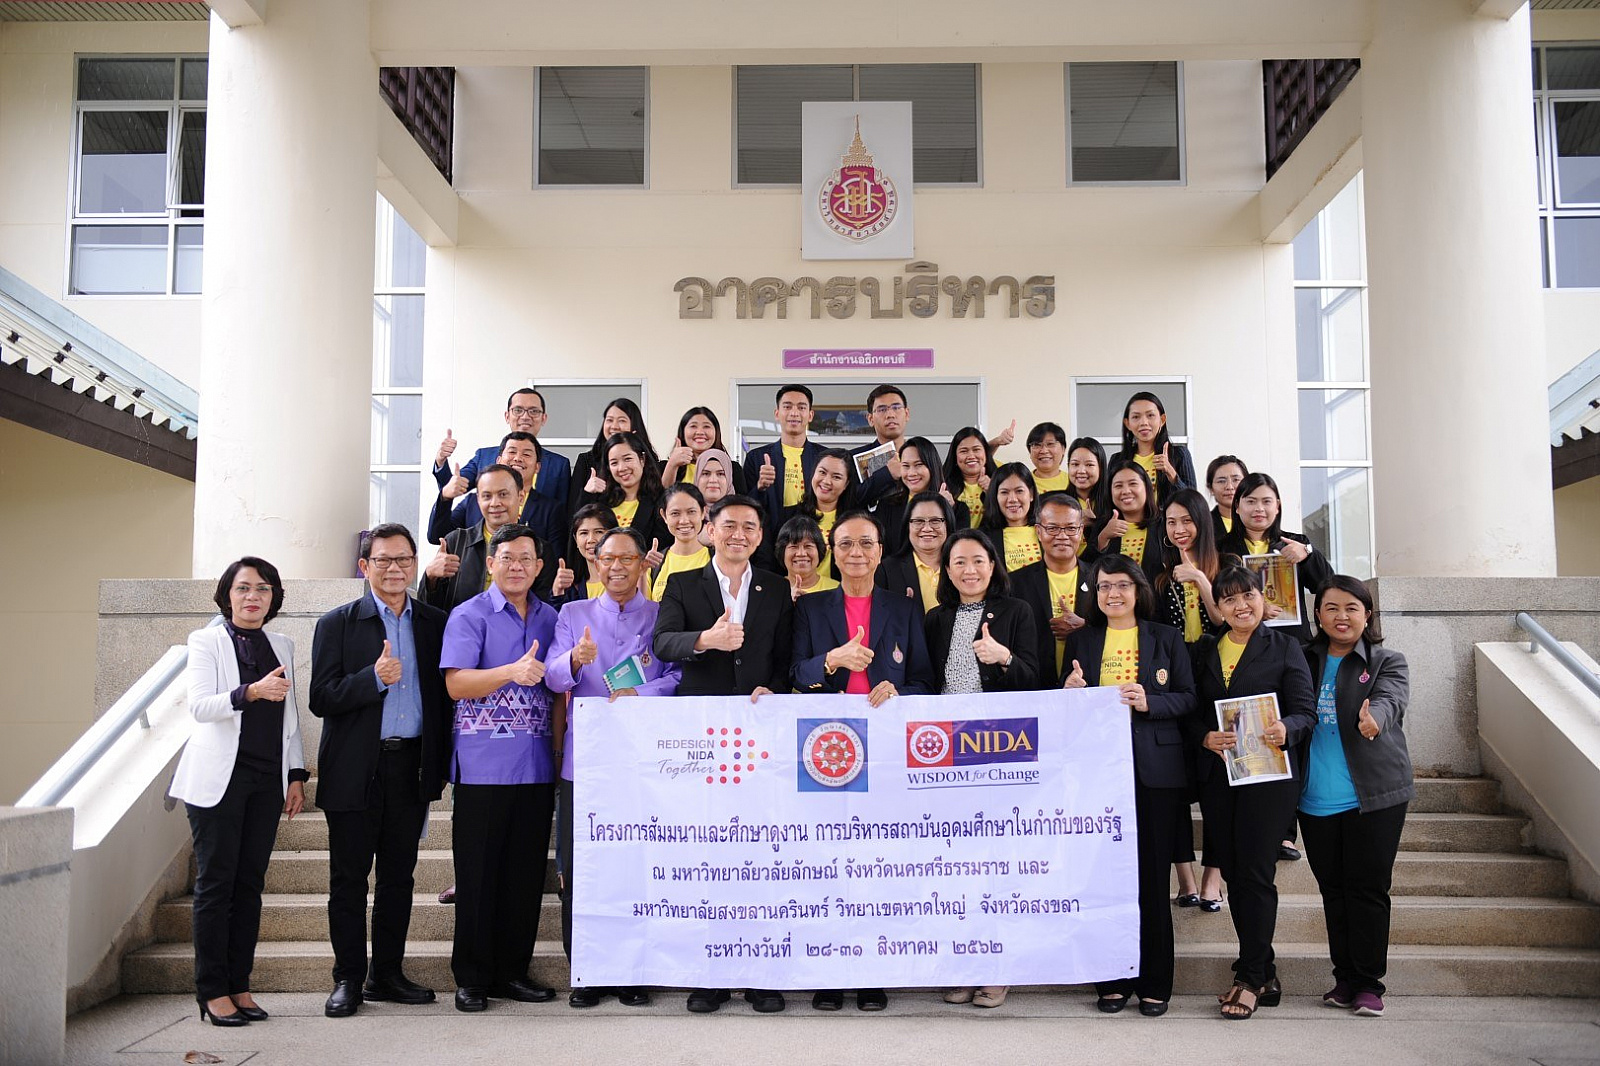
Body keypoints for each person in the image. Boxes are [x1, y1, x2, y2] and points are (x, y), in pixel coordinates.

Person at [653, 494, 794, 1015]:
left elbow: (784, 657)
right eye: (729, 525)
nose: (739, 534)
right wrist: (705, 640)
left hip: (759, 737)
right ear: (710, 530)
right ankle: (710, 973)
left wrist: (774, 688)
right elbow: (662, 643)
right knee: (709, 857)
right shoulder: (682, 583)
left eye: (750, 527)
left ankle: (760, 973)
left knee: (759, 855)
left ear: (760, 535)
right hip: (703, 738)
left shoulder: (775, 587)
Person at [792, 511, 934, 1014]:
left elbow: (924, 680)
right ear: (833, 551)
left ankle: (872, 971)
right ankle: (830, 973)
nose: (856, 553)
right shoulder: (811, 608)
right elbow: (796, 672)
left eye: (866, 544)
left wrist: (899, 691)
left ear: (880, 551)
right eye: (846, 544)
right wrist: (832, 660)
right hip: (826, 753)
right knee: (827, 868)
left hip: (886, 755)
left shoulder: (904, 607)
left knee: (878, 867)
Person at [310, 525, 450, 1018]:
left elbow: (442, 700)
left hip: (410, 766)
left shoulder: (433, 622)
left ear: (414, 564)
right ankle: (348, 977)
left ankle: (386, 974)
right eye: (384, 560)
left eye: (404, 559)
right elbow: (321, 697)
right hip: (355, 768)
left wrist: (439, 765)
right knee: (349, 880)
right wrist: (372, 679)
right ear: (364, 566)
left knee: (398, 878)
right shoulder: (338, 624)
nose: (395, 569)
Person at [546, 527, 682, 1009]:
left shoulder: (661, 614)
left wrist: (638, 692)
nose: (617, 567)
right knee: (581, 868)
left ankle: (632, 971)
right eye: (608, 559)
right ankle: (585, 971)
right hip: (586, 763)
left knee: (636, 866)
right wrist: (574, 660)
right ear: (596, 563)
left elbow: (677, 676)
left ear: (644, 564)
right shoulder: (572, 614)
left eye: (627, 558)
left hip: (644, 762)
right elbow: (552, 676)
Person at [169, 556, 306, 1026]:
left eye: (263, 589)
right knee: (216, 885)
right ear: (227, 594)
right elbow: (200, 707)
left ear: (274, 598)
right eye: (244, 587)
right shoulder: (205, 640)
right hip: (218, 781)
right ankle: (212, 992)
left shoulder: (282, 644)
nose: (253, 596)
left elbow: (289, 718)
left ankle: (240, 985)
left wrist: (295, 775)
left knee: (249, 886)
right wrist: (249, 692)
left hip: (266, 781)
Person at [1061, 554, 1196, 1018]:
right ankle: (1113, 979)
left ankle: (1155, 983)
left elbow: (1188, 697)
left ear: (1138, 590)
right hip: (1098, 775)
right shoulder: (1082, 639)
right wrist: (1070, 692)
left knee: (1152, 881)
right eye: (1103, 586)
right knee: (1105, 880)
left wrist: (1149, 701)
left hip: (1154, 774)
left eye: (1121, 585)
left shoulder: (1165, 637)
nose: (1112, 594)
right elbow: (1065, 704)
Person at [439, 525, 561, 1012]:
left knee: (524, 878)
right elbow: (456, 683)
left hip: (536, 766)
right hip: (483, 768)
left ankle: (513, 972)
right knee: (478, 877)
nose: (516, 566)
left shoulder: (551, 617)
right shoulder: (469, 614)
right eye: (507, 557)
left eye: (526, 558)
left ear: (539, 567)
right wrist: (511, 671)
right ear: (490, 563)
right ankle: (471, 977)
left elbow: (559, 685)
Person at [1193, 564, 1317, 1019]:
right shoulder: (1206, 649)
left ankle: (1247, 977)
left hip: (1268, 777)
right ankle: (1263, 972)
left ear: (1263, 599)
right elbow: (1194, 708)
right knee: (1233, 873)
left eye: (1248, 595)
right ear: (1218, 608)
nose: (1241, 605)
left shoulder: (1284, 647)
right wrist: (1205, 736)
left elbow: (1305, 710)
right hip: (1221, 777)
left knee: (1256, 874)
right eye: (1229, 599)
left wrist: (1287, 728)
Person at [926, 528, 1038, 1011]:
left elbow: (1036, 679)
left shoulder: (1017, 612)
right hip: (945, 757)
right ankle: (962, 963)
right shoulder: (935, 619)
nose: (969, 570)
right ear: (946, 571)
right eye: (959, 562)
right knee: (956, 867)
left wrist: (1004, 657)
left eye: (978, 561)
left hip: (999, 751)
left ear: (993, 565)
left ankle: (998, 966)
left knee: (997, 864)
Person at [1299, 576, 1414, 1019]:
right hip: (1315, 797)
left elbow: (1390, 700)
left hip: (1374, 795)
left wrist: (1374, 719)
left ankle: (1368, 983)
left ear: (1367, 615)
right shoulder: (1302, 659)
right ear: (1318, 615)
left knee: (1367, 889)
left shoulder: (1387, 661)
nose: (1341, 616)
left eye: (1351, 608)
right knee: (1334, 891)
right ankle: (1344, 977)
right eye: (1331, 608)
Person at [1154, 489, 1230, 912]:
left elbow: (1225, 622)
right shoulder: (1161, 575)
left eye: (1186, 520)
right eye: (1171, 522)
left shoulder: (1228, 567)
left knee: (1217, 788)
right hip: (1176, 687)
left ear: (1202, 521)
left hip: (1219, 685)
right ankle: (1184, 878)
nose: (1179, 529)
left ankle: (1212, 879)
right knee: (1175, 787)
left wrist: (1201, 580)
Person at [422, 465, 574, 614]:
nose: (495, 503)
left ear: (520, 497)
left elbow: (542, 611)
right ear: (478, 499)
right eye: (487, 496)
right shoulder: (456, 542)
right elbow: (428, 611)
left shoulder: (539, 549)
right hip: (462, 629)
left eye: (503, 494)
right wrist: (431, 578)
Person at [1218, 471, 1333, 647]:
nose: (1259, 508)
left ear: (1277, 506)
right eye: (1251, 501)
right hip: (1242, 644)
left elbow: (1328, 586)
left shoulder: (1295, 543)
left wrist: (1308, 553)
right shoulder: (1220, 549)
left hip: (1293, 644)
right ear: (1237, 506)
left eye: (1266, 501)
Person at [432, 387, 572, 507]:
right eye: (518, 410)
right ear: (507, 416)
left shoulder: (559, 464)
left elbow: (562, 514)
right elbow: (451, 487)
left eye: (534, 411)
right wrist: (441, 461)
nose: (525, 416)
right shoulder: (483, 457)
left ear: (543, 418)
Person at [430, 431, 566, 554]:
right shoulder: (472, 502)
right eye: (512, 452)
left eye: (526, 454)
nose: (518, 458)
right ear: (498, 460)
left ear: (537, 467)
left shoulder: (550, 509)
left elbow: (554, 558)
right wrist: (445, 497)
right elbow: (438, 536)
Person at [1009, 493, 1093, 688]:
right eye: (1053, 528)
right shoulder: (1014, 583)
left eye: (1071, 528)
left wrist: (1084, 626)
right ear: (1038, 531)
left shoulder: (1099, 579)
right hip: (1034, 689)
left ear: (1081, 531)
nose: (1062, 536)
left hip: (1088, 688)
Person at [578, 431, 671, 560]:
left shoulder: (661, 501)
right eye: (614, 463)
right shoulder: (600, 501)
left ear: (642, 460)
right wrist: (587, 494)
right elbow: (578, 535)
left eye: (627, 459)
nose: (621, 468)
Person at [748, 384, 826, 527]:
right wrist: (760, 487)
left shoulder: (825, 458)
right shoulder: (756, 458)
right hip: (770, 536)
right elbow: (745, 507)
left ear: (810, 415)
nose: (794, 413)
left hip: (816, 532)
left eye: (801, 407)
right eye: (787, 407)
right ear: (777, 414)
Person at [1108, 391, 1197, 507]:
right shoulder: (1117, 460)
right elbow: (1109, 501)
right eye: (1136, 417)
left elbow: (1194, 503)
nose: (1144, 422)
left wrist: (1171, 474)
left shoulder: (1179, 454)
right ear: (1127, 423)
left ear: (1162, 420)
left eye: (1150, 415)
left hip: (1165, 519)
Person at [570, 398, 658, 512]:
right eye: (609, 420)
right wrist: (587, 492)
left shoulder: (647, 461)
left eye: (622, 420)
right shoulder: (586, 460)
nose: (614, 426)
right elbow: (572, 514)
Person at [875, 491, 956, 614]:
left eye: (935, 521)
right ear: (907, 526)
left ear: (948, 524)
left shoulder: (962, 567)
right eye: (918, 521)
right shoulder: (886, 570)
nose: (927, 528)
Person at [780, 448, 855, 579]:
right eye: (822, 472)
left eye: (836, 477)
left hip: (838, 590)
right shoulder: (787, 516)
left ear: (846, 484)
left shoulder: (855, 522)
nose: (826, 481)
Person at [1093, 459, 1163, 583]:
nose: (1126, 491)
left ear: (1147, 487)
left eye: (1133, 484)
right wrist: (1103, 538)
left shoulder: (1165, 524)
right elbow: (1089, 571)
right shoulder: (1103, 526)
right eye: (1118, 486)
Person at [849, 385, 912, 509]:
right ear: (870, 419)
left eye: (896, 407)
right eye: (882, 409)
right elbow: (848, 501)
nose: (890, 414)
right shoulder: (852, 459)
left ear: (907, 414)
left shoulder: (922, 454)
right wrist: (886, 474)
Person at [662, 407, 748, 494]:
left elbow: (742, 501)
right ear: (683, 432)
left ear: (716, 432)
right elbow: (661, 499)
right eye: (693, 426)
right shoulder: (665, 467)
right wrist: (672, 465)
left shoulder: (733, 469)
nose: (700, 432)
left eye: (706, 426)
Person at [652, 483, 711, 600]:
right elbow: (645, 608)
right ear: (664, 516)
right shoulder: (654, 564)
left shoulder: (717, 561)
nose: (684, 521)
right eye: (675, 513)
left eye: (691, 512)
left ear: (703, 512)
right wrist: (642, 572)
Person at [979, 461, 1041, 572]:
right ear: (995, 496)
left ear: (1031, 494)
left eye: (1019, 491)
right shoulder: (982, 538)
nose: (1012, 499)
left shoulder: (1047, 531)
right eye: (1004, 492)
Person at [942, 426, 996, 529]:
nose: (971, 456)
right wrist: (942, 506)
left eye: (976, 450)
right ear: (955, 456)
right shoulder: (944, 486)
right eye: (964, 451)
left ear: (985, 453)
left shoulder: (1000, 481)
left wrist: (993, 492)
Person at [776, 515, 838, 598]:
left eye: (808, 546)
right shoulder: (771, 590)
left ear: (819, 550)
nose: (801, 553)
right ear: (782, 552)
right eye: (794, 546)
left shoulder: (837, 590)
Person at [1206, 454, 1250, 540]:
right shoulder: (1202, 525)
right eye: (1221, 481)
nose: (1229, 487)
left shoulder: (1260, 519)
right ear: (1211, 488)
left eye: (1236, 480)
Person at [1066, 436, 1107, 523]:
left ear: (1101, 467)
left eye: (1089, 465)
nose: (1081, 471)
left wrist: (1094, 523)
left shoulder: (1113, 501)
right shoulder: (1059, 502)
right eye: (1075, 464)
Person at [1026, 421, 1072, 495]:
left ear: (1063, 449)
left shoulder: (1073, 482)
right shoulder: (1023, 483)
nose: (1044, 451)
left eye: (1050, 444)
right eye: (1037, 445)